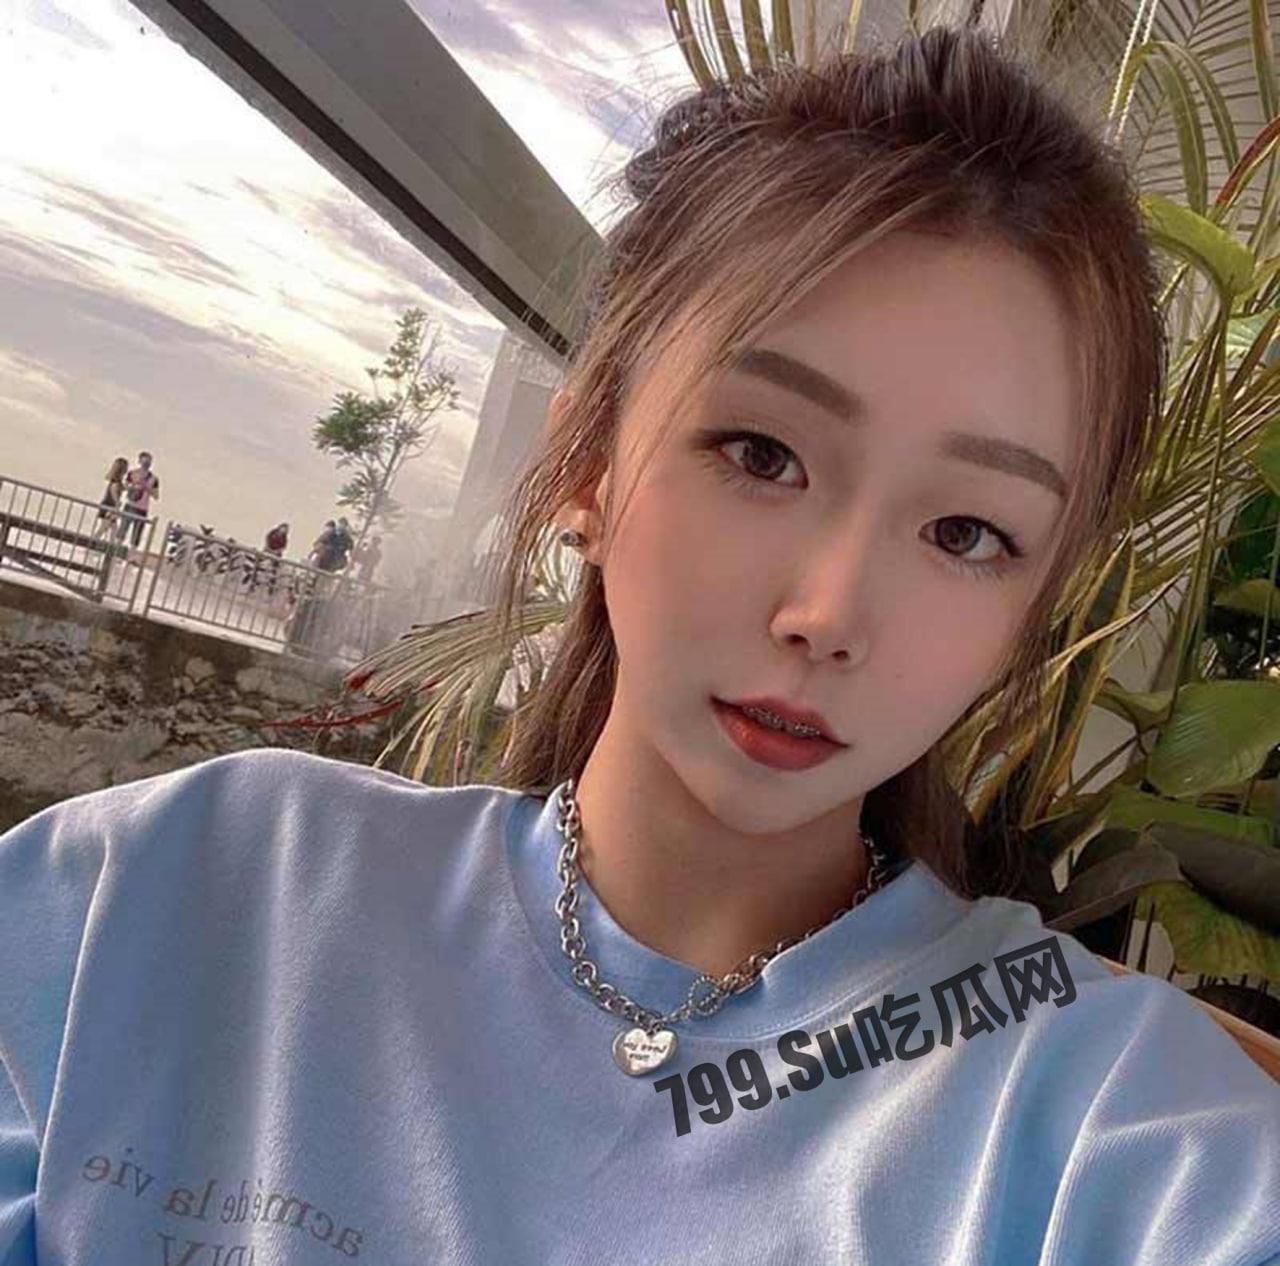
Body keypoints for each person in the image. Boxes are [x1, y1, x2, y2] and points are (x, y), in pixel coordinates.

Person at [0, 26, 1277, 1265]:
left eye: (965, 533)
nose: (828, 614)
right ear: (588, 463)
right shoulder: (177, 894)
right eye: (760, 455)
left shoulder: (1116, 1129)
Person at [117, 449, 159, 548]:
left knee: (135, 538)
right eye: (145, 461)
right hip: (130, 505)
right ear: (139, 461)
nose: (146, 464)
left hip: (142, 509)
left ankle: (130, 555)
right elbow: (124, 487)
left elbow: (156, 496)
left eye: (149, 462)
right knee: (121, 533)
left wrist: (147, 487)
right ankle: (115, 551)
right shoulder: (132, 473)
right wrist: (133, 486)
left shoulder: (153, 478)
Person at [90, 456, 129, 541]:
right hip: (109, 507)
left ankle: (110, 544)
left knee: (113, 527)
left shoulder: (117, 481)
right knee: (105, 527)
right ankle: (93, 541)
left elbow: (121, 488)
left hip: (109, 506)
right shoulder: (116, 482)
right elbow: (114, 490)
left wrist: (128, 487)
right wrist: (117, 503)